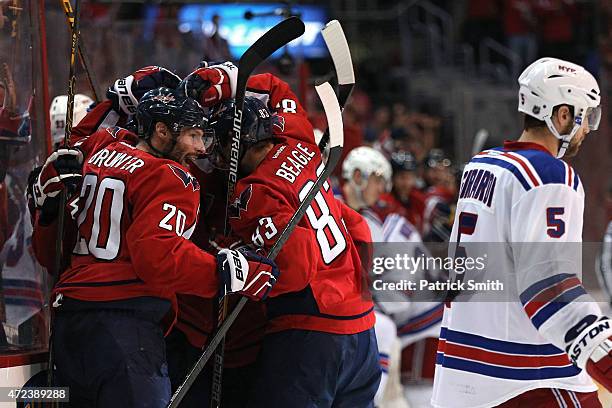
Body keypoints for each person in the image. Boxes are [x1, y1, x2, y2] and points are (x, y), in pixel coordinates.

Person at [29, 86, 279, 407]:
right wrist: (226, 272)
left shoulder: (103, 149)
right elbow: (156, 257)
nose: (200, 148)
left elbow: (50, 255)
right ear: (161, 131)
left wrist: (46, 206)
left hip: (69, 324)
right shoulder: (171, 176)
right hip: (124, 330)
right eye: (192, 135)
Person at [183, 68, 381, 407]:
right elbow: (359, 229)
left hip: (311, 335)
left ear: (241, 142)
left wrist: (243, 263)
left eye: (222, 144)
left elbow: (296, 262)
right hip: (363, 331)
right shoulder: (303, 143)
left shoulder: (254, 192)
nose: (214, 155)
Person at [432, 57, 611, 407]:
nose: (588, 128)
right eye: (585, 116)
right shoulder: (549, 174)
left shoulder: (480, 165)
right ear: (562, 115)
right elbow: (550, 288)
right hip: (525, 377)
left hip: (458, 372)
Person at [342, 146, 443, 408]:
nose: (381, 188)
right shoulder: (357, 215)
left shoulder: (373, 221)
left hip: (422, 317)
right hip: (420, 315)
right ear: (357, 176)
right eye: (377, 179)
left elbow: (397, 293)